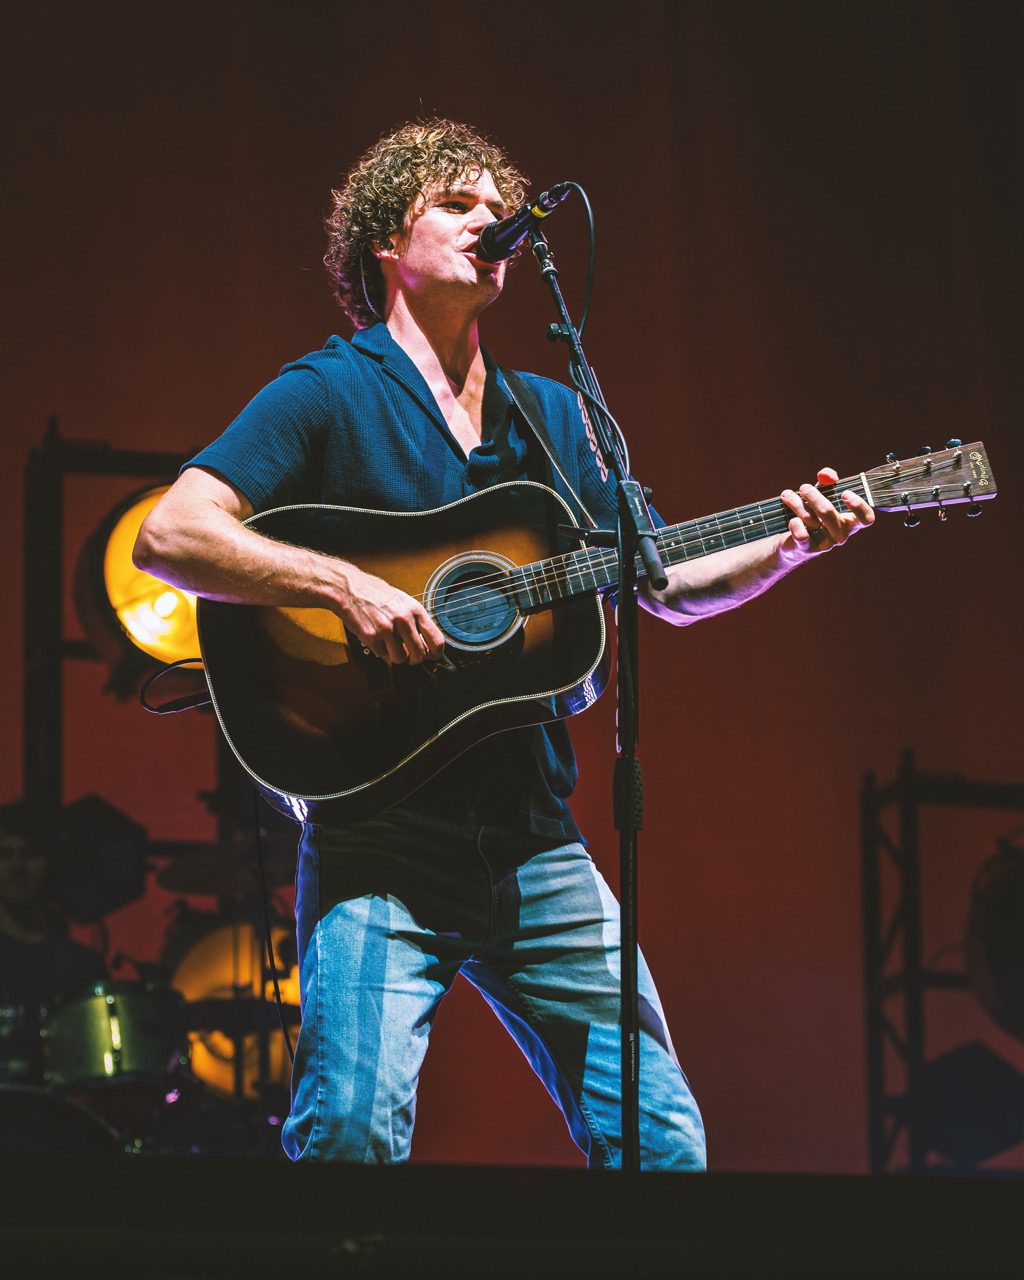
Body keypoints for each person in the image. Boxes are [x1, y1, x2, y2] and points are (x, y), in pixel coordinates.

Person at [133, 118, 874, 1168]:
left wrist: (791, 545)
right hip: (378, 836)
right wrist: (339, 583)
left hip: (535, 836)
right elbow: (172, 533)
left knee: (662, 1141)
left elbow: (662, 579)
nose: (491, 219)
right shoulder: (327, 392)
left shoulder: (556, 417)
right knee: (348, 1130)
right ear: (387, 240)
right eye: (459, 201)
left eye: (499, 206)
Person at [0, 801, 108, 1082]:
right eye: (5, 854)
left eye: (29, 854)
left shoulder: (82, 965)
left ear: (50, 864)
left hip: (61, 1115)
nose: (17, 865)